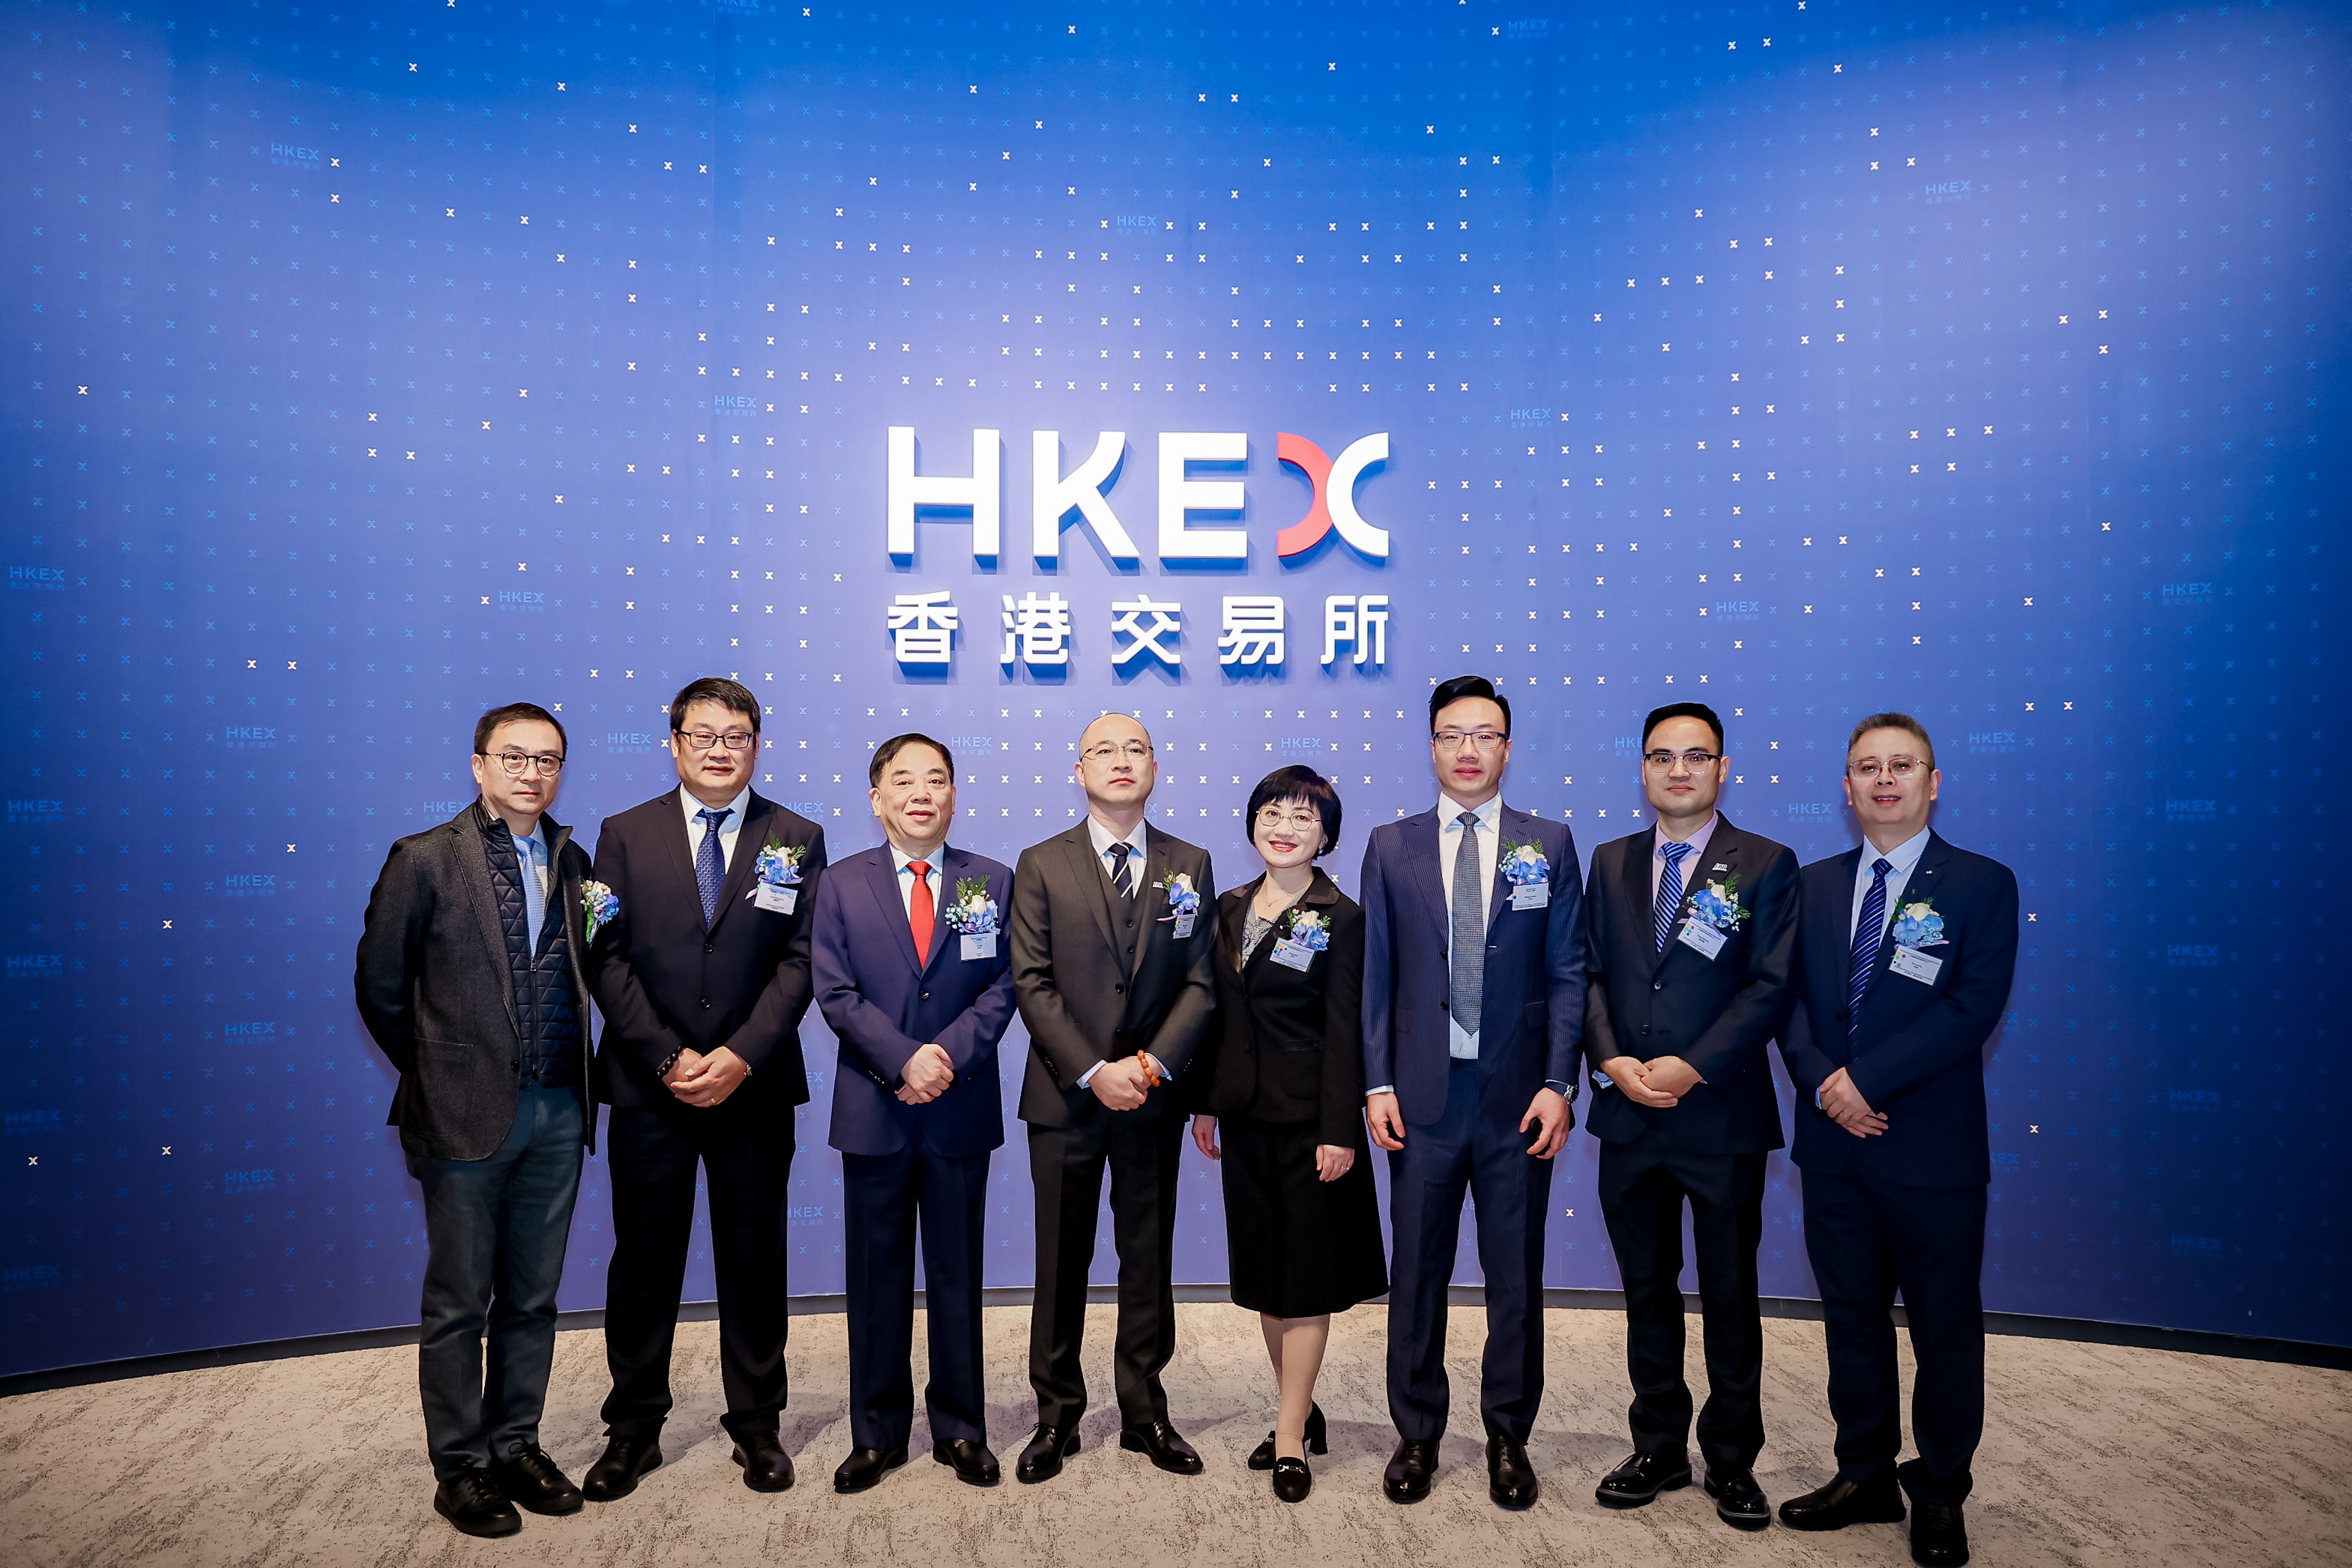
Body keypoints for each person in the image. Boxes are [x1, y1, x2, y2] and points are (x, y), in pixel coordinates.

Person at [1775, 712, 2019, 1568]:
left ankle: (1941, 1490)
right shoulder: (1811, 885)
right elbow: (1787, 1004)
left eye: (1902, 765)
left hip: (1930, 1149)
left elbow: (1972, 1007)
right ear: (1846, 788)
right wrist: (1825, 1086)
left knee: (1943, 1326)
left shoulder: (1981, 883)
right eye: (1868, 768)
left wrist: (1866, 1083)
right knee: (1851, 1319)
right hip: (1833, 1146)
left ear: (1933, 781)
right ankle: (1865, 1473)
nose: (1885, 780)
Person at [580, 677, 828, 1499]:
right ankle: (633, 1429)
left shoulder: (797, 836)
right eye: (703, 735)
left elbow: (803, 959)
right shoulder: (622, 834)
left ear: (757, 745)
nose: (720, 750)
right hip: (650, 1087)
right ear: (675, 742)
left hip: (752, 1086)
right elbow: (605, 956)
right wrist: (666, 1056)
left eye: (736, 736)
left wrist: (740, 1055)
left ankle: (756, 1424)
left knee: (754, 1260)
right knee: (644, 1263)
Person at [355, 702, 594, 1538]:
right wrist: (441, 1069)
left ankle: (516, 1443)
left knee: (532, 1297)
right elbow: (381, 989)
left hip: (559, 1110)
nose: (532, 773)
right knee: (460, 1302)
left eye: (548, 759)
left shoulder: (574, 861)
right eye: (515, 757)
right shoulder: (424, 858)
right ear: (479, 764)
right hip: (462, 1119)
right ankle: (459, 1468)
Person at [1360, 674, 1585, 1510]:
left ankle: (1507, 1434)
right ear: (1431, 747)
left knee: (1514, 1274)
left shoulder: (1548, 842)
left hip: (1518, 1100)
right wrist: (1376, 1081)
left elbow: (1568, 971)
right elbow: (1376, 975)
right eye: (1452, 735)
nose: (1467, 750)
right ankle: (1417, 1431)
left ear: (1507, 748)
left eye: (1484, 735)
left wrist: (1559, 1082)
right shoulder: (1391, 845)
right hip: (1421, 1098)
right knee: (1416, 1271)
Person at [1580, 702, 1799, 1531]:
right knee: (1646, 1291)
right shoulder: (1610, 861)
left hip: (1720, 1116)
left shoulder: (1767, 863)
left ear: (1722, 768)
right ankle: (1659, 1446)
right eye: (1662, 756)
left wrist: (1694, 1066)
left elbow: (1770, 986)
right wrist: (1610, 1060)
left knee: (1730, 1293)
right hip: (1628, 1113)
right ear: (1642, 769)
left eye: (1696, 756)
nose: (1679, 770)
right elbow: (1589, 973)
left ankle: (1732, 1459)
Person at [1008, 712, 1219, 1483]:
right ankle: (1056, 1413)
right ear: (1079, 770)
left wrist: (1153, 1066)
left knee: (1147, 1257)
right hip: (1066, 1098)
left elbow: (1201, 981)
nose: (1120, 760)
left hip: (1152, 1098)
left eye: (1136, 749)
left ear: (1155, 767)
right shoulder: (1040, 862)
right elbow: (1031, 981)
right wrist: (1095, 1069)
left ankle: (1144, 1410)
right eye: (1103, 750)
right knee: (1060, 1261)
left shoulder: (1190, 862)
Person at [809, 734, 1017, 1493]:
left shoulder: (991, 879)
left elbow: (1005, 985)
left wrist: (943, 1059)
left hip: (959, 1107)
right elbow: (834, 993)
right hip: (876, 1108)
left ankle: (961, 1428)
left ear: (954, 796)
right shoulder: (840, 883)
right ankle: (877, 1433)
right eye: (904, 781)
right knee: (876, 1277)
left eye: (936, 779)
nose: (921, 793)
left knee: (958, 1274)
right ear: (878, 799)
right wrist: (903, 1059)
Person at [1188, 766, 1386, 1504]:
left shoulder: (1342, 915)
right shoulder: (1230, 906)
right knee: (1267, 1278)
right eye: (1273, 812)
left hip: (1311, 1123)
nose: (1285, 827)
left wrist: (1340, 1129)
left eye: (1304, 817)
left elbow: (1346, 1030)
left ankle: (1291, 1434)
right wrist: (1206, 1104)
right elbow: (1215, 1014)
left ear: (1326, 835)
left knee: (1305, 1280)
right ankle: (1299, 1407)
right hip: (1243, 1117)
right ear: (1252, 824)